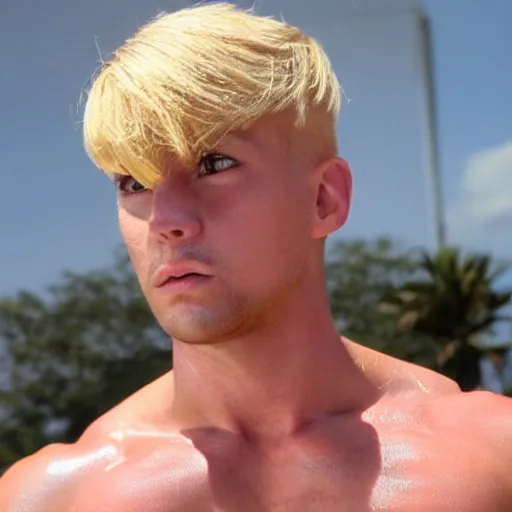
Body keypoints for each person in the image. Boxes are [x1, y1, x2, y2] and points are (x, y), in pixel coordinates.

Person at [1, 3, 511, 511]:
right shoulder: (52, 497)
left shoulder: (490, 459)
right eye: (134, 182)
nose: (166, 218)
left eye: (214, 163)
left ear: (324, 199)